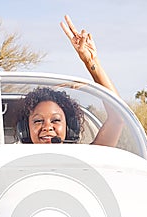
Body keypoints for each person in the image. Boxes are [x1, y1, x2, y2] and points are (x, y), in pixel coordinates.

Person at [16, 15, 123, 146]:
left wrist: (91, 62)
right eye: (38, 121)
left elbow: (118, 117)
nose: (47, 127)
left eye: (55, 120)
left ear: (69, 127)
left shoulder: (85, 159)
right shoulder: (14, 165)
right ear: (25, 130)